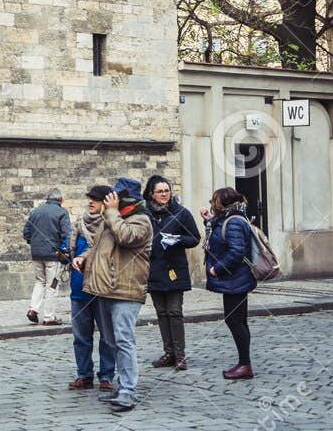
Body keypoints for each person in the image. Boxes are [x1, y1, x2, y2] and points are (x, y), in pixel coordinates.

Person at [73, 177, 153, 415]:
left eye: (114, 198)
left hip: (126, 291)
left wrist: (112, 213)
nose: (109, 201)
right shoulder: (111, 220)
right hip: (105, 289)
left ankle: (128, 390)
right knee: (111, 341)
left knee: (124, 340)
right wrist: (84, 258)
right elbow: (97, 246)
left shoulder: (141, 221)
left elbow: (126, 237)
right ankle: (122, 386)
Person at [144, 174, 201, 372]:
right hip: (153, 269)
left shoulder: (181, 213)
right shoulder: (146, 215)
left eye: (167, 190)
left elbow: (194, 238)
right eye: (160, 191)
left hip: (175, 270)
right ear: (151, 194)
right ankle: (168, 353)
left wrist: (177, 239)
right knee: (161, 313)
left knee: (175, 312)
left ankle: (180, 355)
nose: (164, 194)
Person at [203, 186, 258, 380]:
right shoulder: (230, 217)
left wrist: (216, 269)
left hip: (236, 279)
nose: (212, 204)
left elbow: (236, 251)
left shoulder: (233, 221)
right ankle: (245, 363)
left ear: (223, 203)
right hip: (235, 279)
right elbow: (220, 238)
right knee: (239, 320)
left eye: (214, 201)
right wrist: (207, 221)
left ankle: (245, 365)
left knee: (234, 320)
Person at [68, 187, 116, 392]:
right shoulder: (78, 224)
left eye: (96, 199)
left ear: (106, 203)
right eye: (90, 198)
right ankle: (84, 374)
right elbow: (69, 249)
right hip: (79, 289)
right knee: (81, 337)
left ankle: (106, 376)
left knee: (107, 336)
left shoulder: (111, 226)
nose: (91, 202)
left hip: (102, 289)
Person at [22, 188, 71, 325]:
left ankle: (33, 309)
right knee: (52, 285)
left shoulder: (35, 211)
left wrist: (35, 243)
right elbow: (66, 234)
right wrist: (65, 251)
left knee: (39, 281)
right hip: (53, 255)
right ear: (60, 199)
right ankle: (49, 317)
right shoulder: (62, 212)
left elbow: (26, 233)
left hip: (36, 253)